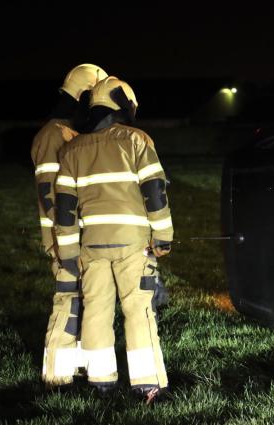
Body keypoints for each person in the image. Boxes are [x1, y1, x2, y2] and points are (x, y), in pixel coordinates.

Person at [54, 76, 172, 403]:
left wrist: (68, 252)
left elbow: (64, 209)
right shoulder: (137, 140)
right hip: (135, 245)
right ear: (123, 103)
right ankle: (148, 386)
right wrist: (163, 236)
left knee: (95, 311)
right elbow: (155, 191)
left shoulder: (71, 150)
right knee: (139, 311)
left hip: (91, 247)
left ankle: (100, 380)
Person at [31, 63, 108, 387]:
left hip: (77, 235)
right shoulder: (52, 135)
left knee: (83, 299)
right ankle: (57, 375)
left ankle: (75, 367)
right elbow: (51, 194)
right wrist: (67, 237)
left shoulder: (69, 134)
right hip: (64, 237)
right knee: (68, 298)